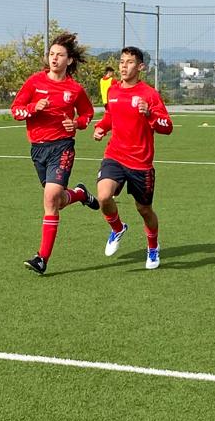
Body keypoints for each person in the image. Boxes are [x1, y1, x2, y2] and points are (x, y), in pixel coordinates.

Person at [11, 32, 99, 275]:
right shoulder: (34, 82)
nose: (54, 58)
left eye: (60, 55)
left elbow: (87, 114)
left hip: (62, 147)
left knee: (50, 198)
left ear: (69, 60)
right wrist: (33, 108)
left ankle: (42, 258)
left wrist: (77, 123)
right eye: (51, 54)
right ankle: (80, 194)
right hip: (37, 149)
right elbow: (16, 110)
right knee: (57, 200)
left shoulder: (74, 89)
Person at [92, 46, 173, 270]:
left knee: (144, 210)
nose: (124, 66)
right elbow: (110, 116)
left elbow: (167, 127)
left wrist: (150, 113)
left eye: (129, 62)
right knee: (104, 197)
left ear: (140, 67)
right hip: (115, 155)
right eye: (121, 62)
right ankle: (117, 228)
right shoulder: (113, 91)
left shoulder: (150, 94)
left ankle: (153, 247)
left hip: (140, 162)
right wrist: (101, 128)